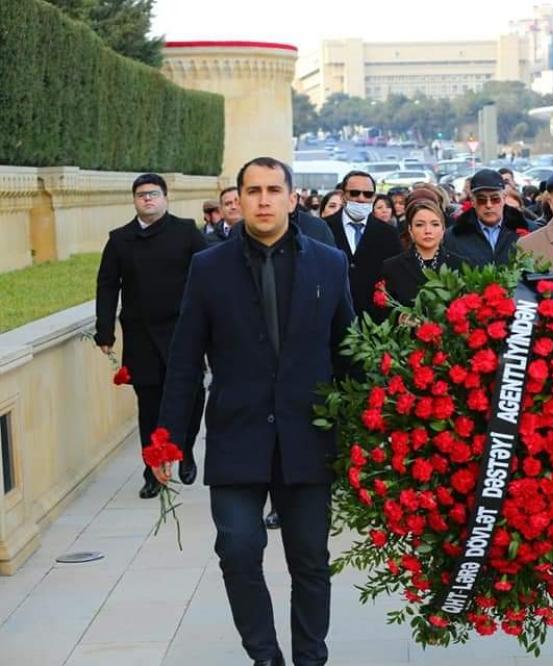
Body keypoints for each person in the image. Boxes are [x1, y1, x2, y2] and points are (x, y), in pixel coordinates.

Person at [154, 156, 355, 666]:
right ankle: (265, 657)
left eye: (273, 190)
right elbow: (184, 359)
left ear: (292, 198)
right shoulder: (208, 267)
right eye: (252, 191)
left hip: (308, 437)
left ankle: (310, 657)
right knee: (239, 551)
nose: (263, 200)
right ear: (238, 201)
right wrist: (169, 436)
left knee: (309, 560)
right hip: (236, 435)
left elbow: (349, 352)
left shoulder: (328, 264)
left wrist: (363, 435)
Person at [95, 174, 207, 498]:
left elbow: (209, 273)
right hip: (141, 334)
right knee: (150, 404)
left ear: (165, 198)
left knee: (193, 394)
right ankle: (151, 470)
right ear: (134, 200)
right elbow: (107, 285)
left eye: (153, 194)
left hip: (182, 331)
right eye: (141, 195)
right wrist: (105, 330)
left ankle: (183, 450)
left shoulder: (186, 232)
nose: (147, 199)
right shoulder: (120, 239)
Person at [325, 170, 404, 318]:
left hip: (375, 320)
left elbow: (396, 277)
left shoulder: (388, 233)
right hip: (333, 317)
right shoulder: (324, 228)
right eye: (354, 193)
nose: (361, 199)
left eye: (367, 194)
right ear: (343, 196)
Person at [380, 199, 466, 307]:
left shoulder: (461, 265)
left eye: (435, 224)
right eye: (420, 225)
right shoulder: (392, 267)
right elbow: (383, 310)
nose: (428, 231)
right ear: (410, 230)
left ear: (443, 229)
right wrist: (400, 317)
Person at [443, 169, 533, 267]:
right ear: (473, 201)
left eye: (495, 199)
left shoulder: (529, 230)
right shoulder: (453, 236)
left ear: (503, 198)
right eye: (482, 200)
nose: (489, 205)